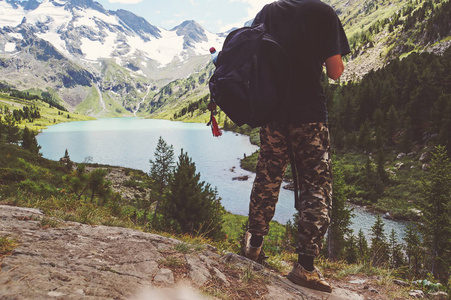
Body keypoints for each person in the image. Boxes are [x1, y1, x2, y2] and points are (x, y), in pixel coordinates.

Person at [242, 0, 350, 293]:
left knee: (268, 175)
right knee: (315, 183)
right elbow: (335, 71)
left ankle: (253, 247)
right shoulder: (323, 12)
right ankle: (305, 266)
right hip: (309, 116)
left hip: (273, 115)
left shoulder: (268, 11)